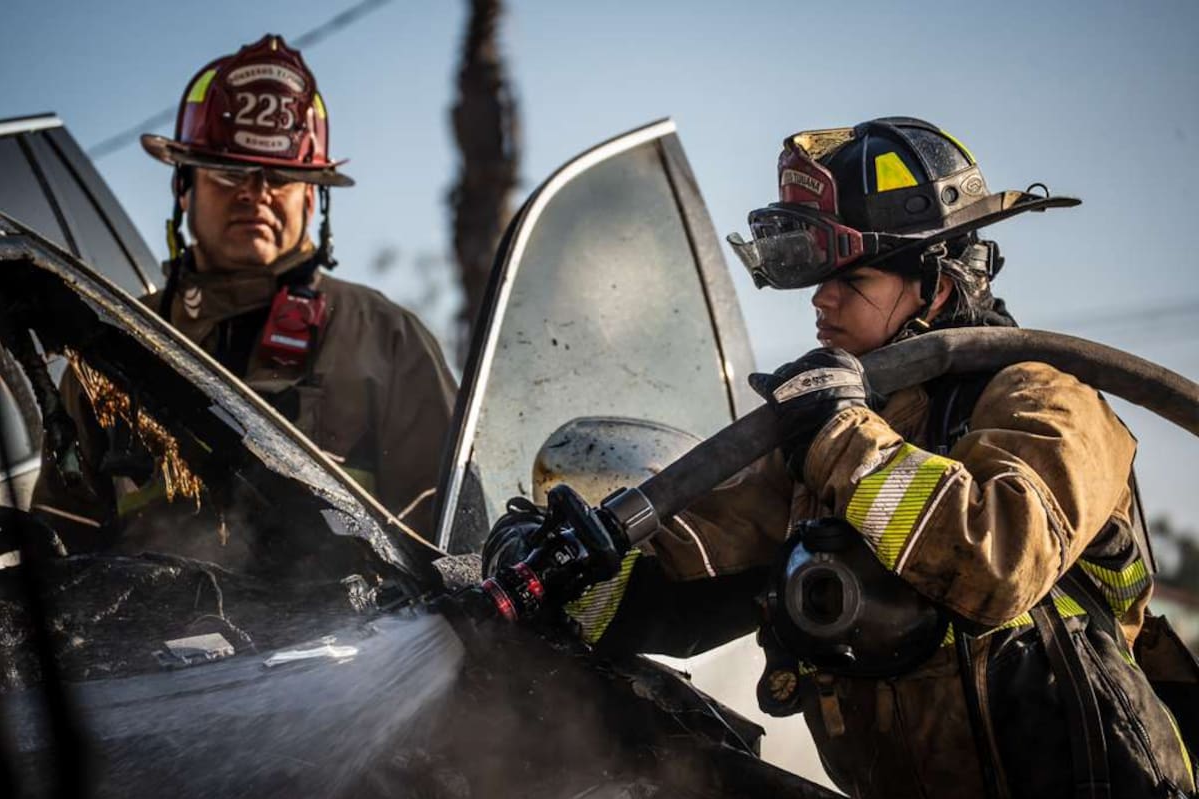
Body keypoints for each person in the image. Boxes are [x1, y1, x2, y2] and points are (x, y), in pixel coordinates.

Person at [483, 117, 1196, 798]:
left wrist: (837, 435)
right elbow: (683, 581)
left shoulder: (1043, 400)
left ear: (941, 283)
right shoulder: (826, 443)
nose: (821, 300)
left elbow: (999, 561)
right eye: (820, 277)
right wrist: (555, 568)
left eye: (853, 279)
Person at [31, 34, 456, 550]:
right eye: (229, 173)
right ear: (183, 187)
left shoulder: (386, 339)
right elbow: (58, 553)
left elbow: (452, 543)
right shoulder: (111, 347)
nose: (256, 194)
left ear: (311, 198)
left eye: (280, 177)